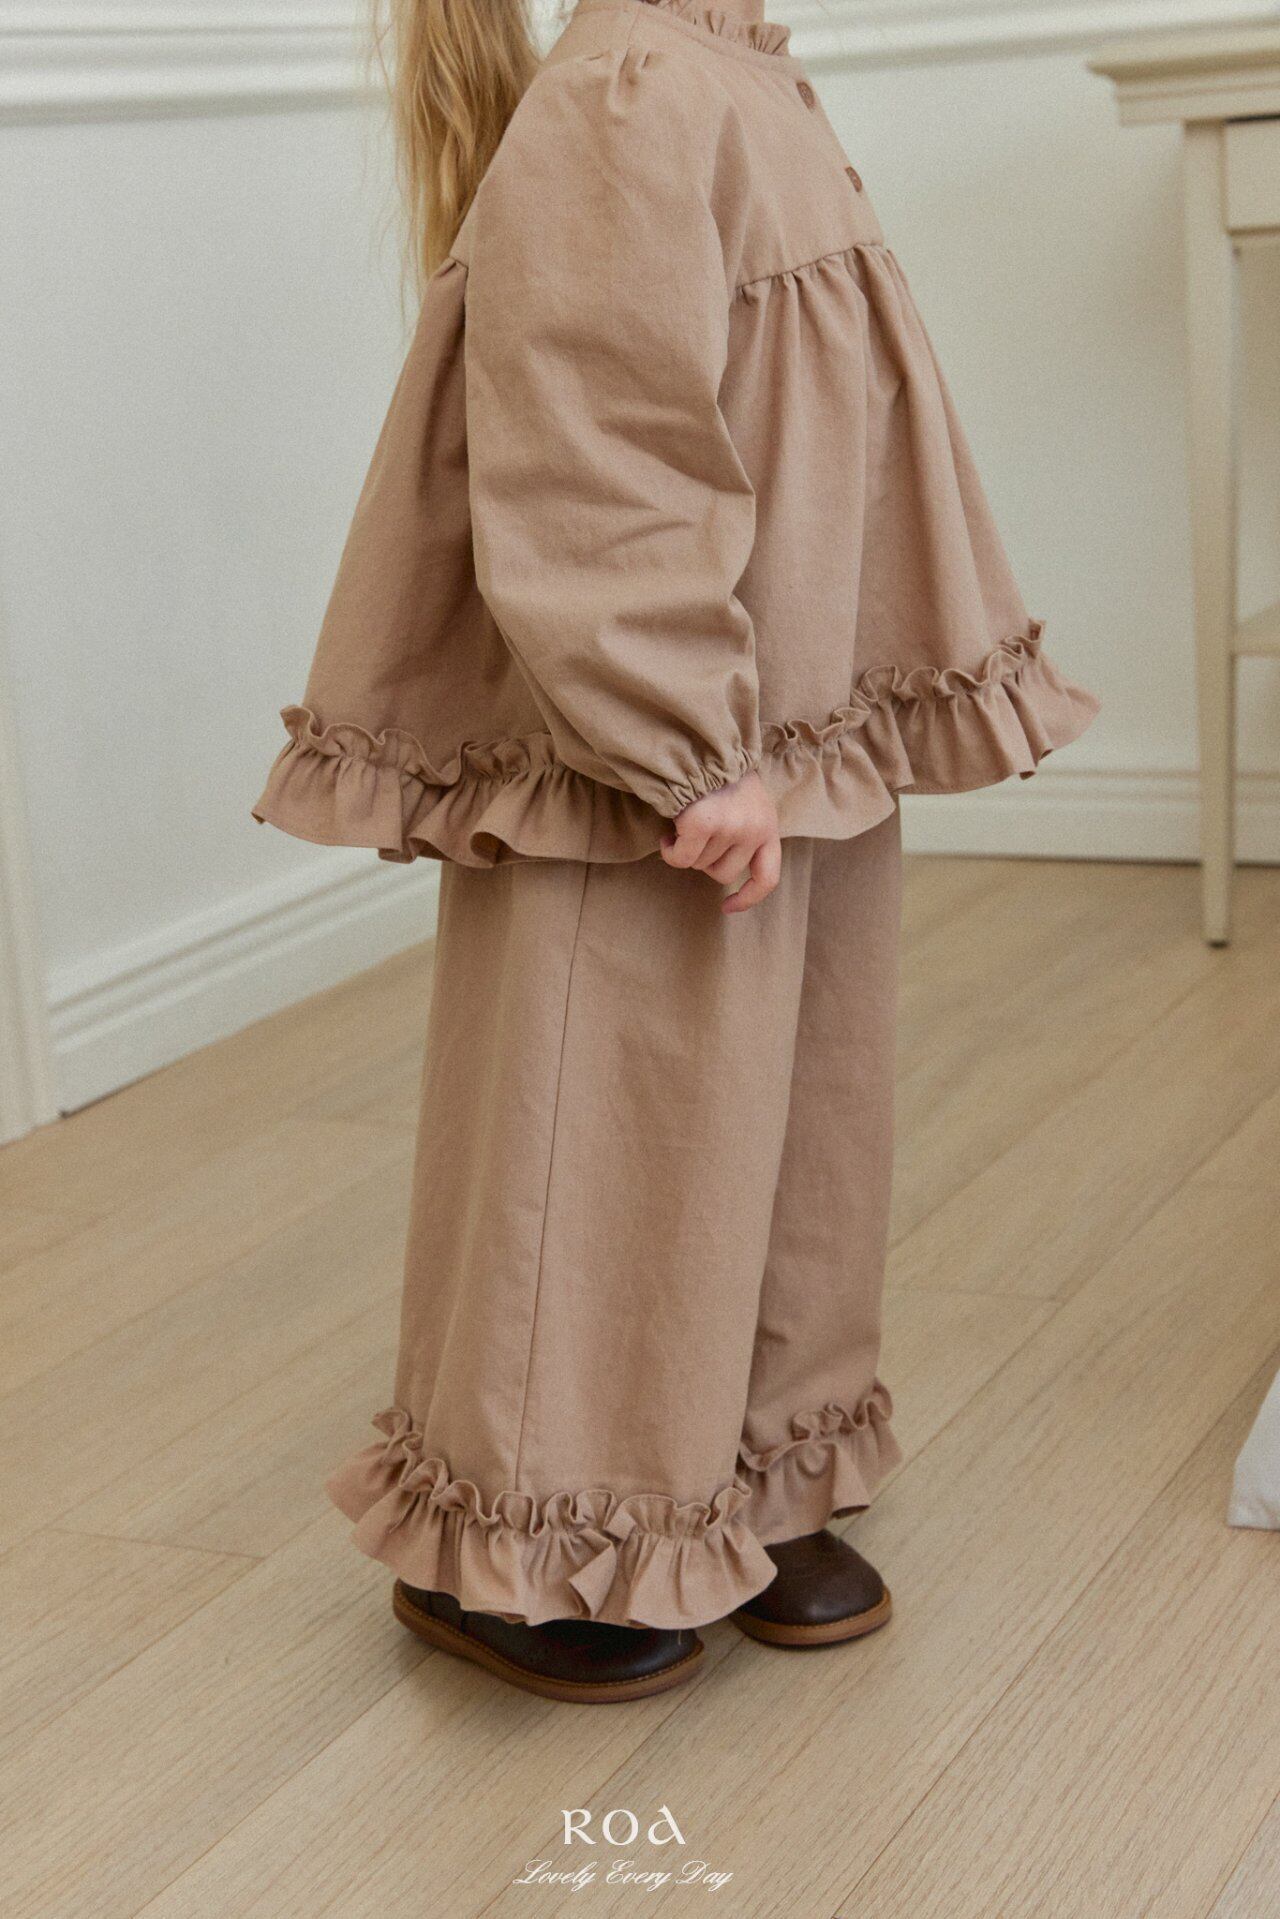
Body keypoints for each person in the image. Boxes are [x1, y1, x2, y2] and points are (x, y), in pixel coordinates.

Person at [254, 0, 1098, 1703]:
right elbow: (590, 441)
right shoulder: (632, 95)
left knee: (791, 1108)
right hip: (659, 744)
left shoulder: (739, 84)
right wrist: (677, 731)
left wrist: (785, 725)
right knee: (615, 1107)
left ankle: (752, 1466)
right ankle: (546, 1523)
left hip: (790, 708)